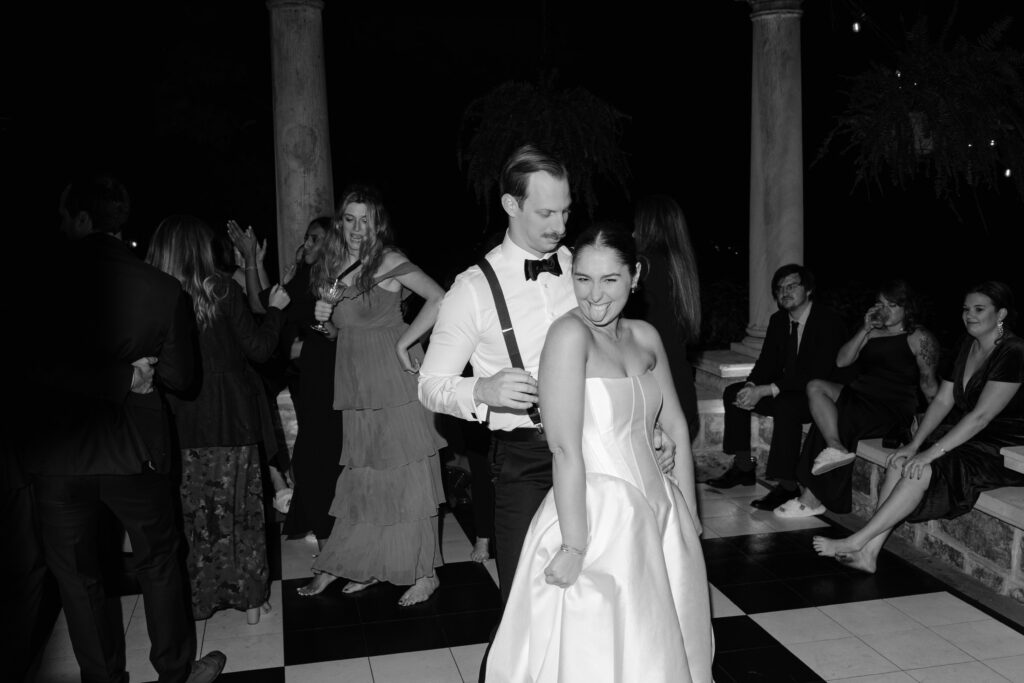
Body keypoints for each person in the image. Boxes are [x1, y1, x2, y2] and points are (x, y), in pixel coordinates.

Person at [485, 225, 714, 682]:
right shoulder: (569, 337)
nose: (593, 295)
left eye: (609, 279)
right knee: (604, 652)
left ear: (635, 276)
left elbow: (673, 424)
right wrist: (574, 544)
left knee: (664, 646)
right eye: (583, 279)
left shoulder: (646, 336)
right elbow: (565, 448)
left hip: (661, 510)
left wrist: (687, 510)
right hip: (598, 516)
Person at [23, 176, 225, 683]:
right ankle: (175, 673)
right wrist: (126, 376)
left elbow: (27, 365)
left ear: (84, 220)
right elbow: (181, 378)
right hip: (135, 453)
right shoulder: (160, 286)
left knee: (78, 578)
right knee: (158, 562)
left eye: (65, 216)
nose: (61, 225)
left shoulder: (36, 279)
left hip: (58, 457)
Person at [417, 144, 579, 602]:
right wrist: (483, 388)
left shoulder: (579, 268)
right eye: (547, 212)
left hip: (595, 450)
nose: (560, 226)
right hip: (525, 460)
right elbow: (430, 386)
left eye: (565, 212)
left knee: (597, 592)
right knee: (524, 596)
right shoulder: (471, 290)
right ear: (511, 204)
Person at [298, 185, 447, 607]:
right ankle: (368, 564)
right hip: (356, 381)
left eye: (366, 220)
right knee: (366, 477)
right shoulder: (332, 266)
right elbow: (337, 333)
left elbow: (439, 297)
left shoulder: (389, 260)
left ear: (377, 222)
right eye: (350, 219)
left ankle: (423, 572)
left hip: (395, 377)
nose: (358, 228)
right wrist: (323, 321)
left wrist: (405, 343)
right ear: (340, 222)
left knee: (407, 475)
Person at [813, 282, 1024, 573]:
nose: (970, 316)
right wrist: (914, 444)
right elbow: (942, 400)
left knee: (922, 467)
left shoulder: (1013, 351)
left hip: (1002, 448)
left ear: (1001, 313)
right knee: (902, 459)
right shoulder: (969, 345)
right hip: (973, 437)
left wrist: (929, 454)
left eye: (979, 309)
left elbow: (980, 417)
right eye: (966, 309)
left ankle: (857, 541)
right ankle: (869, 554)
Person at [148, 214, 291, 624]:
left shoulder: (158, 296)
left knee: (196, 517)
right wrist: (277, 310)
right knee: (242, 513)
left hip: (181, 424)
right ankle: (250, 600)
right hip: (233, 421)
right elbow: (261, 349)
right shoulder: (221, 290)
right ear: (199, 249)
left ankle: (200, 600)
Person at [776, 281, 939, 516]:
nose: (885, 310)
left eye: (892, 305)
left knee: (841, 416)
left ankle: (811, 498)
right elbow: (842, 361)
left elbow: (929, 382)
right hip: (861, 394)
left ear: (907, 308)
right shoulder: (872, 331)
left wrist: (933, 423)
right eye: (880, 304)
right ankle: (835, 448)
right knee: (816, 387)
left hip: (892, 406)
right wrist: (864, 329)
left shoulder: (919, 337)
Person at [707, 264, 847, 513]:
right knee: (733, 394)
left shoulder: (828, 321)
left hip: (819, 396)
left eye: (792, 286)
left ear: (809, 289)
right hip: (789, 389)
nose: (785, 292)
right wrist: (751, 385)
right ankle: (745, 466)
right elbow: (767, 363)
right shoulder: (779, 320)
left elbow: (817, 372)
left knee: (786, 406)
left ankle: (788, 484)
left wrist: (766, 390)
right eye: (780, 288)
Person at [277, 217, 345, 544]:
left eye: (315, 239)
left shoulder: (336, 278)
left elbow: (338, 333)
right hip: (309, 374)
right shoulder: (305, 276)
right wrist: (250, 262)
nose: (307, 243)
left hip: (330, 375)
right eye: (306, 237)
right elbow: (267, 303)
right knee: (312, 458)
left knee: (318, 457)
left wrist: (320, 330)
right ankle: (326, 531)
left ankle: (330, 533)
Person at [627, 194, 701, 435]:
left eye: (638, 227)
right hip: (681, 390)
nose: (634, 234)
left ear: (649, 228)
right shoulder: (682, 268)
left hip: (656, 397)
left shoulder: (643, 267)